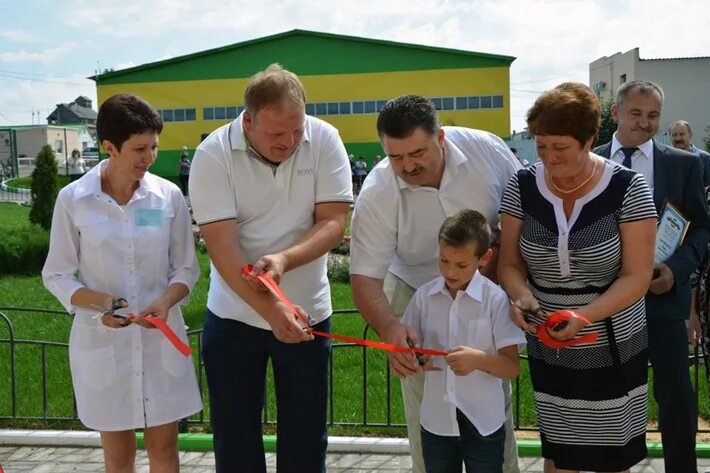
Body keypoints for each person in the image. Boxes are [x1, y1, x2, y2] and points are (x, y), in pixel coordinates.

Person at [189, 63, 353, 473]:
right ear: (247, 121)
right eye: (277, 134)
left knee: (305, 435)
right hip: (233, 315)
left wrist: (283, 260)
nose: (291, 142)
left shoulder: (325, 138)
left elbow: (333, 222)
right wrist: (272, 310)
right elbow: (222, 247)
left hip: (307, 312)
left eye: (297, 130)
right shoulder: (213, 154)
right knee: (235, 437)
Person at [350, 94, 522, 473]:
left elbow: (520, 213)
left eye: (417, 153)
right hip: (415, 292)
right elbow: (364, 277)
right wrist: (393, 330)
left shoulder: (486, 150)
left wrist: (504, 279)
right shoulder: (378, 192)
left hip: (486, 285)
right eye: (396, 157)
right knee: (424, 401)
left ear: (440, 137)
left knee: (493, 397)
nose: (407, 166)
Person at [499, 82, 658, 472]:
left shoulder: (628, 188)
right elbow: (510, 264)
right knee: (560, 451)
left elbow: (636, 277)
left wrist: (584, 316)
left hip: (611, 338)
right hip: (550, 339)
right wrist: (520, 297)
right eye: (541, 147)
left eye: (560, 148)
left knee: (611, 453)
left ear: (589, 140)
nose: (549, 159)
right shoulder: (521, 186)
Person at [42, 93, 202, 473]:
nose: (149, 158)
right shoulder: (74, 200)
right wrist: (100, 303)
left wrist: (164, 302)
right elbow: (57, 274)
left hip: (158, 338)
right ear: (109, 147)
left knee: (164, 449)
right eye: (139, 149)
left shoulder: (167, 197)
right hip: (103, 341)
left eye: (154, 147)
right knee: (118, 455)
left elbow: (185, 269)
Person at [594, 80, 710, 472]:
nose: (645, 123)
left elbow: (700, 229)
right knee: (607, 398)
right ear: (615, 114)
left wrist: (675, 271)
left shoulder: (683, 164)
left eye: (653, 116)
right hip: (605, 303)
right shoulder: (590, 161)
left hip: (662, 303)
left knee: (676, 397)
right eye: (636, 114)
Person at [402, 209, 526, 473]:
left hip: (483, 423)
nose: (450, 271)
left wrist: (479, 360)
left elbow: (511, 367)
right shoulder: (424, 298)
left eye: (461, 265)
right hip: (436, 421)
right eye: (444, 261)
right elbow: (408, 350)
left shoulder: (495, 301)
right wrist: (413, 358)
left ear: (484, 258)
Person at [671, 119, 710, 186]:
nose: (678, 138)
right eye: (674, 135)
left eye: (682, 134)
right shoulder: (665, 158)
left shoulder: (704, 157)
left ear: (690, 134)